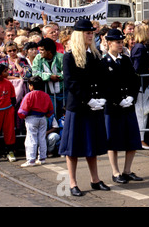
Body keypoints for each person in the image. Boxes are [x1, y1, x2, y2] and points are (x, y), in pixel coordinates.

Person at [59, 19, 110, 197]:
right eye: (88, 33)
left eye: (92, 33)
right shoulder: (69, 56)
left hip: (93, 106)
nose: (91, 35)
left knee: (92, 146)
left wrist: (101, 98)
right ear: (80, 35)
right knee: (73, 148)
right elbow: (71, 82)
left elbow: (103, 79)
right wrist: (88, 99)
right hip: (79, 106)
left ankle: (95, 179)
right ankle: (72, 183)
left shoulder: (95, 55)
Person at [101, 28, 143, 184]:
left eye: (121, 42)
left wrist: (132, 96)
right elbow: (105, 85)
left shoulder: (125, 60)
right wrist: (118, 99)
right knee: (113, 140)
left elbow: (134, 80)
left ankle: (127, 170)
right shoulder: (104, 62)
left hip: (128, 105)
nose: (120, 45)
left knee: (131, 138)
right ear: (109, 43)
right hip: (113, 107)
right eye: (118, 42)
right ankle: (115, 172)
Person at [18, 76, 54, 167]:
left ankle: (31, 160)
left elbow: (23, 110)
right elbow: (50, 110)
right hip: (42, 118)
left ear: (31, 86)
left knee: (31, 138)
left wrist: (22, 116)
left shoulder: (29, 95)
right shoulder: (46, 95)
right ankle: (42, 158)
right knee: (42, 138)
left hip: (31, 118)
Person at [130, 24, 149, 150]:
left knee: (142, 111)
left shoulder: (139, 47)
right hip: (140, 84)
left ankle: (141, 138)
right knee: (141, 112)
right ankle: (140, 138)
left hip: (141, 84)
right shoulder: (140, 48)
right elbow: (136, 68)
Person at [32, 38, 64, 120]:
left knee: (63, 115)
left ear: (49, 51)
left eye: (42, 50)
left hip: (63, 93)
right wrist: (49, 77)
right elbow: (35, 73)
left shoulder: (61, 58)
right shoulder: (38, 58)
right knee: (51, 115)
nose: (40, 52)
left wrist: (58, 76)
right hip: (48, 93)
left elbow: (67, 73)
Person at [0, 64, 17, 162]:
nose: (7, 73)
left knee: (10, 131)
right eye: (5, 71)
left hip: (8, 110)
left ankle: (10, 151)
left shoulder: (8, 83)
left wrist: (11, 107)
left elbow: (13, 97)